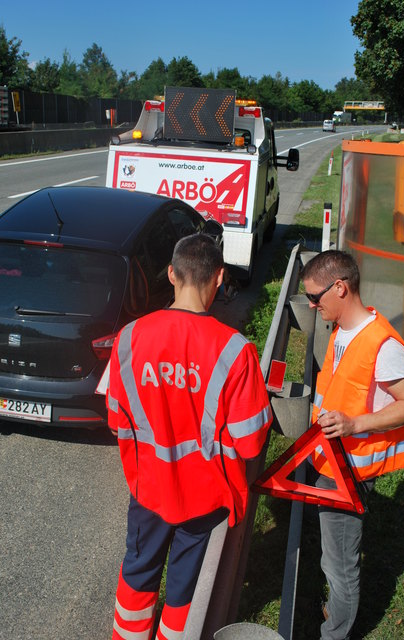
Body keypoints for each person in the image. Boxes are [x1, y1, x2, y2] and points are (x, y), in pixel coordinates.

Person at [106, 233, 272, 640]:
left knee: (138, 571)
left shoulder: (129, 337)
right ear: (218, 277)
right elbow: (250, 441)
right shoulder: (235, 351)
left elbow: (116, 420)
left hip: (148, 488)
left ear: (171, 274)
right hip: (205, 498)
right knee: (184, 588)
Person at [301, 250, 404, 640]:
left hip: (351, 470)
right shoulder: (342, 329)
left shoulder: (382, 345)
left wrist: (355, 423)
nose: (310, 304)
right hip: (331, 460)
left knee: (339, 563)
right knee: (332, 556)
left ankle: (335, 633)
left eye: (315, 297)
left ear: (340, 287)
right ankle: (337, 612)